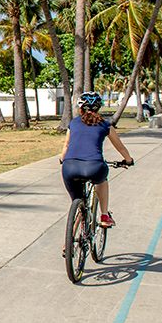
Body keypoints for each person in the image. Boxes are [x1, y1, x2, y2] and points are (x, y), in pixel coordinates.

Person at [58, 92, 134, 228]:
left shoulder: (73, 123)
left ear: (80, 108)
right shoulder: (105, 124)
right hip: (94, 167)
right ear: (98, 108)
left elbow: (67, 145)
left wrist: (62, 159)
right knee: (102, 179)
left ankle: (68, 245)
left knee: (78, 201)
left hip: (69, 167)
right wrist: (128, 160)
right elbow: (120, 147)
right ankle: (104, 215)